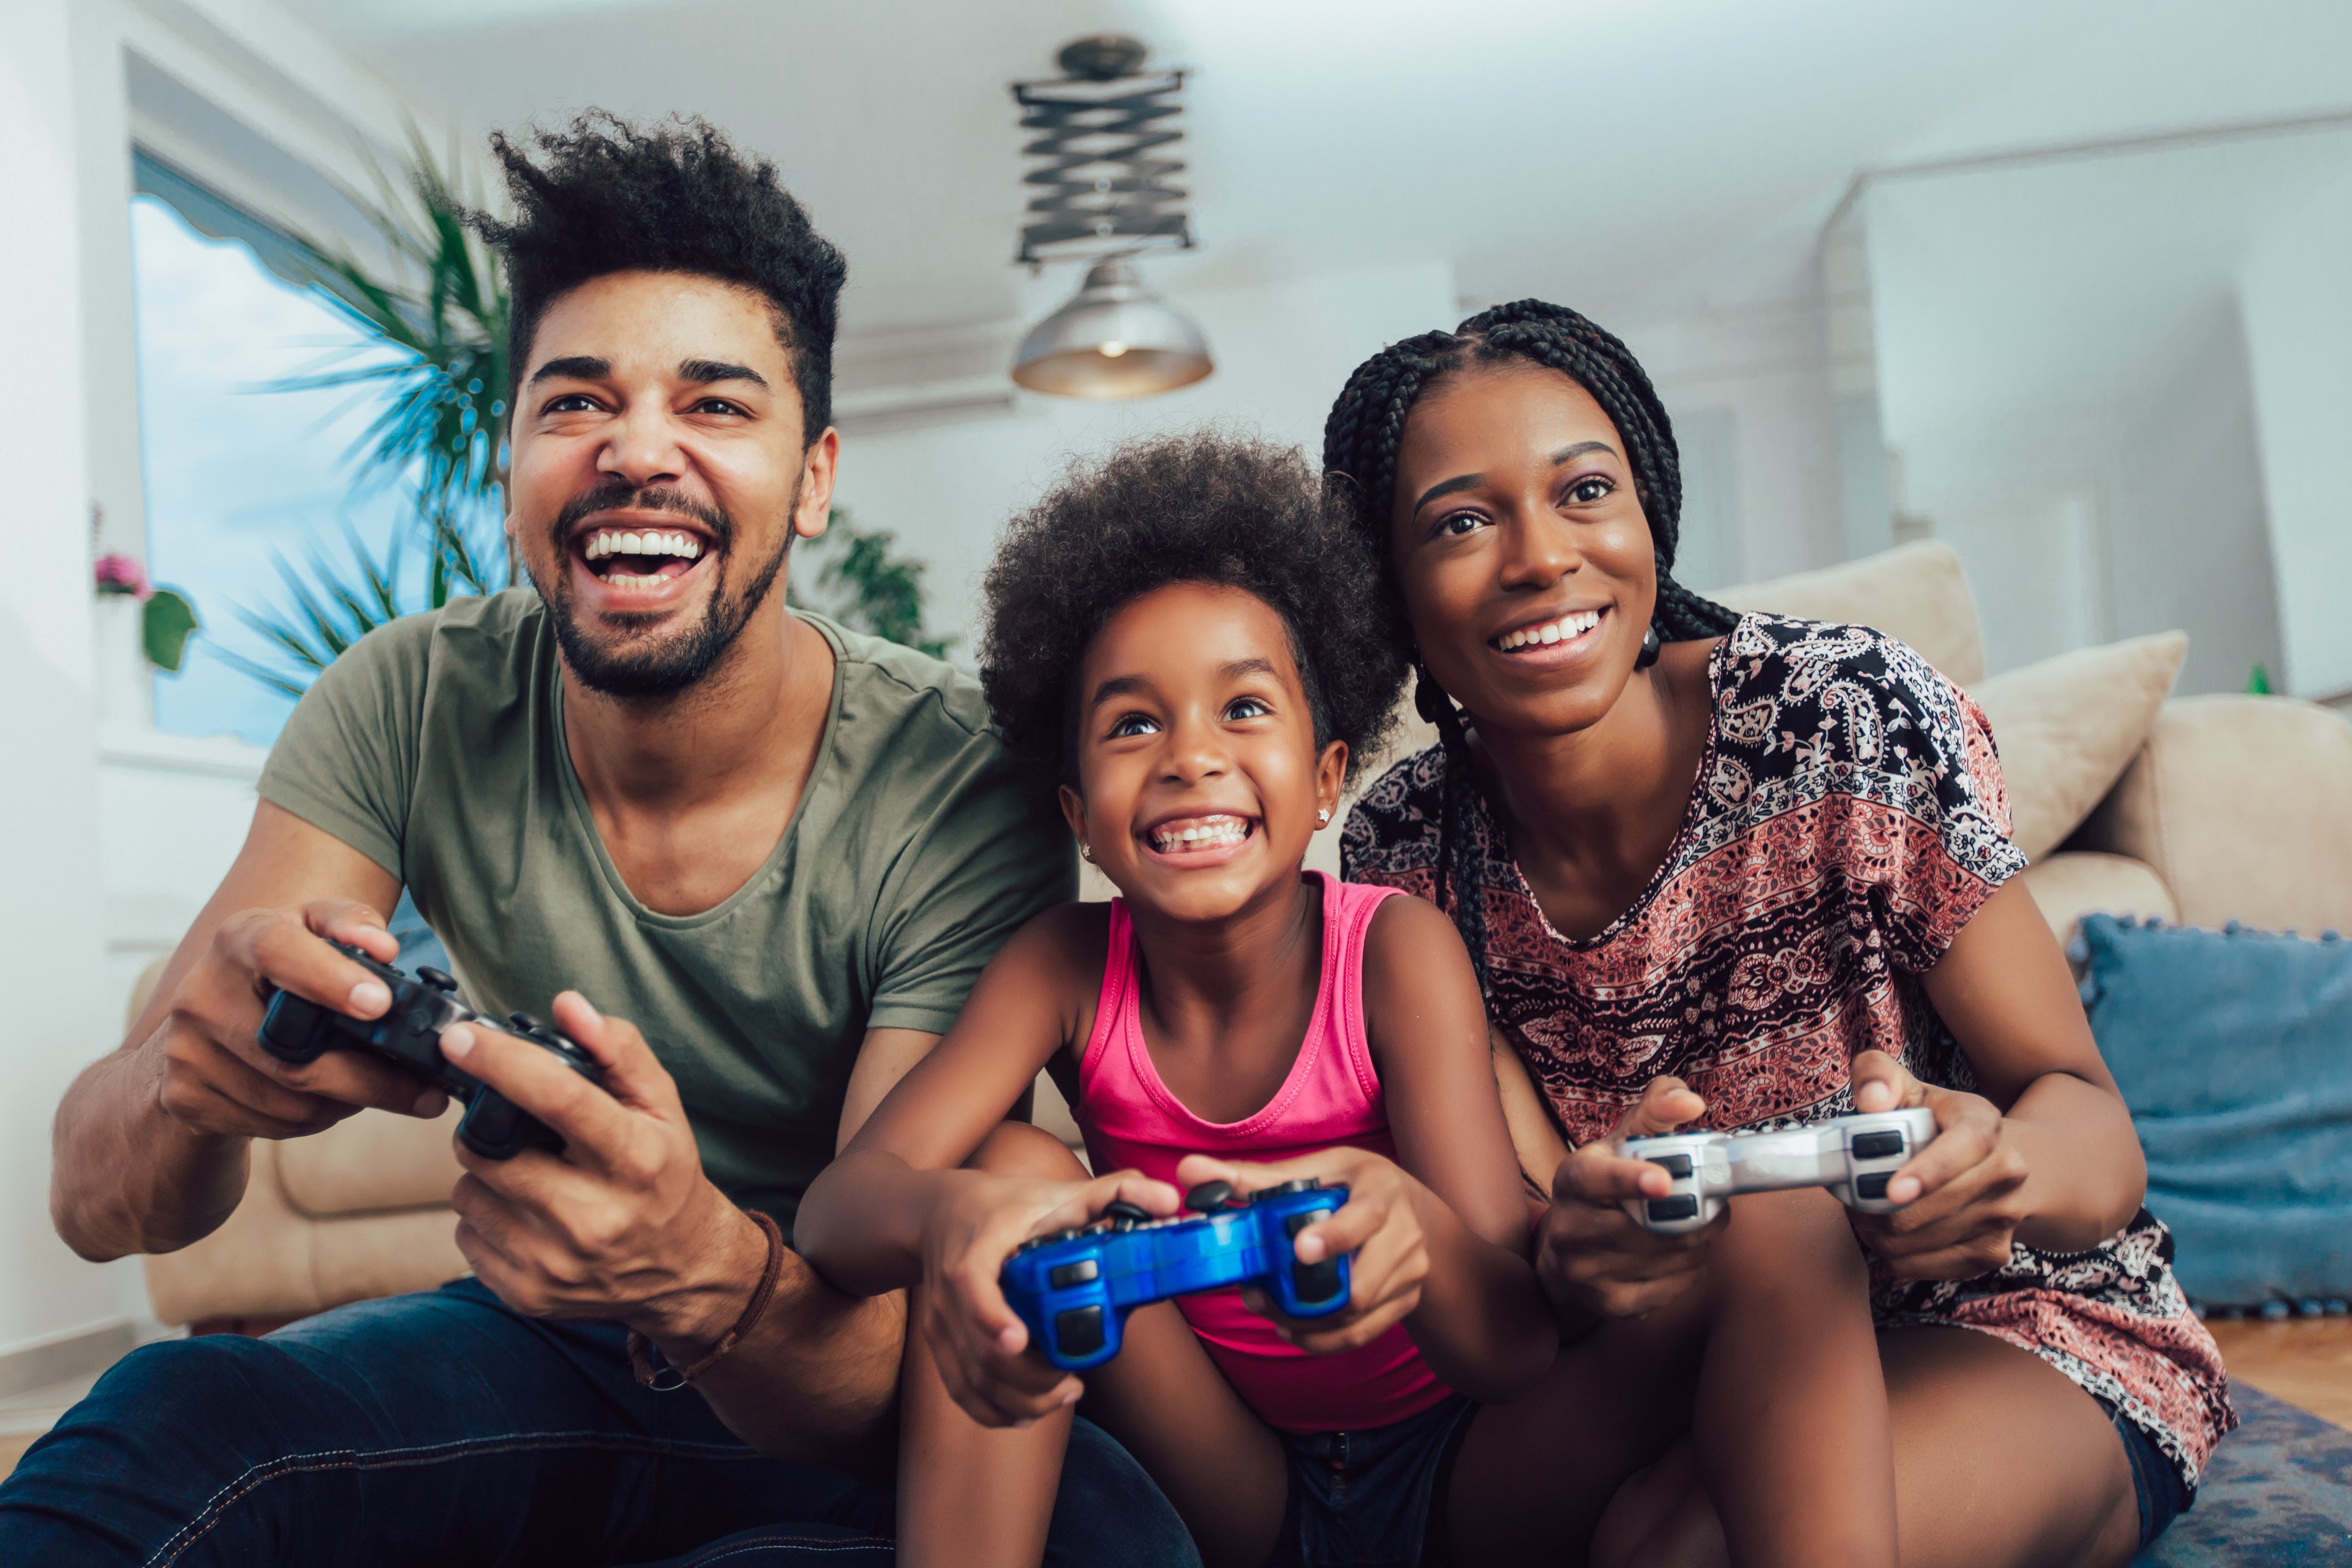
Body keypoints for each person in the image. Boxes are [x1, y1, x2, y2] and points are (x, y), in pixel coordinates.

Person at [4, 113, 1193, 1568]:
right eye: (575, 404)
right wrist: (189, 1084)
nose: (637, 451)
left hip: (852, 1375)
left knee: (1114, 1539)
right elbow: (92, 1201)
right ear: (511, 466)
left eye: (715, 405)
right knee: (178, 1415)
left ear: (814, 476)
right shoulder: (407, 696)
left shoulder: (956, 769)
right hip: (544, 1345)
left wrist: (694, 1264)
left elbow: (885, 1347)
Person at [793, 433, 1914, 1568]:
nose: (1190, 757)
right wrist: (957, 1225)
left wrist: (1399, 1220)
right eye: (1134, 723)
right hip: (1237, 1484)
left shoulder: (1391, 951)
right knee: (1012, 1178)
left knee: (1784, 1226)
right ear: (1079, 815)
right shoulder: (1062, 967)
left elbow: (1516, 1344)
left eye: (1243, 710)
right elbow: (839, 1216)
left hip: (1465, 1471)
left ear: (1327, 779)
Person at [1324, 299, 2236, 1567]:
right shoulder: (1407, 850)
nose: (1539, 556)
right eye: (1462, 521)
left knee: (1682, 1546)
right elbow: (1515, 1262)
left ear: (1649, 516)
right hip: (1673, 1346)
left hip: (2002, 1321)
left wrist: (2000, 1168)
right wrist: (1573, 1254)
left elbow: (2093, 1124)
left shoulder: (1842, 716)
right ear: (1390, 593)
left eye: (1585, 488)